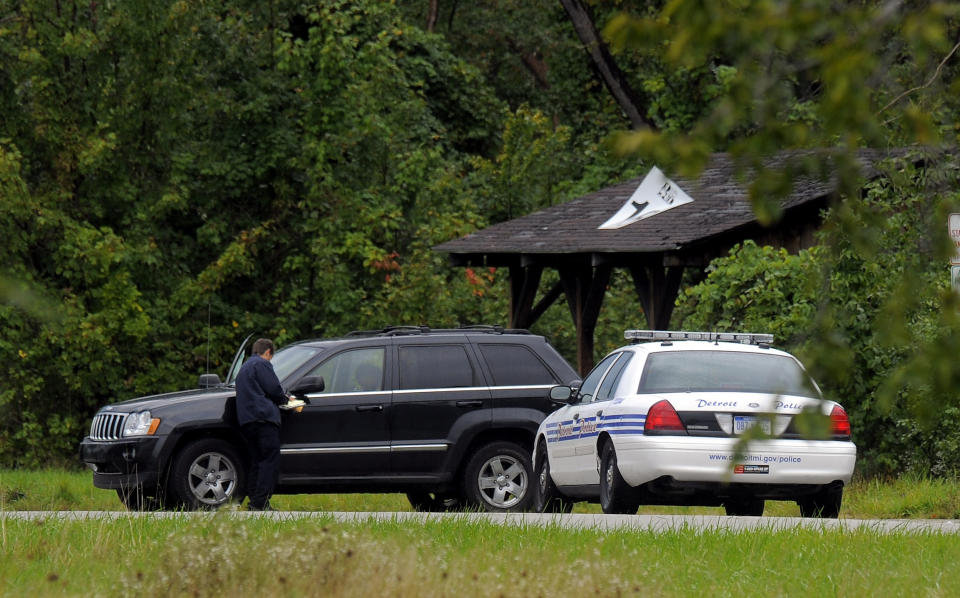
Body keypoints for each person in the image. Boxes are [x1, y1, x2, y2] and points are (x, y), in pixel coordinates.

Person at [235, 337, 290, 511]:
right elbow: (274, 389)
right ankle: (261, 502)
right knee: (269, 460)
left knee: (256, 460)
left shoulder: (244, 368)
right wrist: (287, 400)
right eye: (270, 357)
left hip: (247, 420)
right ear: (267, 352)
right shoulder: (262, 364)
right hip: (264, 419)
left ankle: (254, 499)